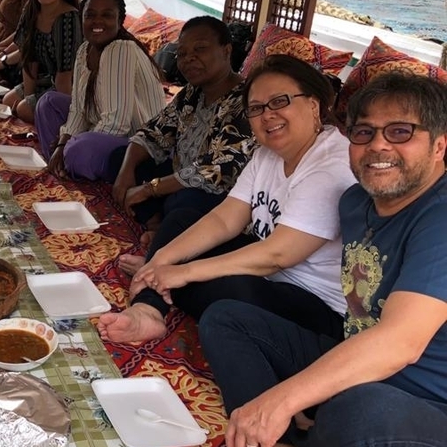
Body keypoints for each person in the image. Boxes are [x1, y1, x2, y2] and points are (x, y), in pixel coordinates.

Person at [198, 72, 447, 447]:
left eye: (400, 132)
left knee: (362, 410)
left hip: (427, 413)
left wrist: (280, 399)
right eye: (363, 132)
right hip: (358, 367)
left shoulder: (440, 217)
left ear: (439, 146)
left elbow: (400, 343)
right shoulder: (356, 201)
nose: (378, 146)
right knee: (226, 318)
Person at [98, 55, 354, 345]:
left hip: (315, 305)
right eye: (256, 108)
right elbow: (225, 219)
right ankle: (148, 308)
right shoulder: (267, 154)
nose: (267, 115)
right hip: (271, 277)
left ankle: (161, 284)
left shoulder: (331, 167)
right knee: (182, 221)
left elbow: (277, 255)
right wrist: (161, 259)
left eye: (280, 101)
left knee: (227, 292)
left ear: (313, 104)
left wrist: (184, 271)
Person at [111, 16, 255, 263]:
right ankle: (157, 224)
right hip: (178, 179)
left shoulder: (245, 102)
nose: (188, 59)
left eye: (200, 49)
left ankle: (166, 236)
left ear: (226, 51)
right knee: (121, 158)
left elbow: (217, 172)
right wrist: (126, 172)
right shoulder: (192, 92)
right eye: (182, 53)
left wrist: (150, 189)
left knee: (186, 202)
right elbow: (153, 132)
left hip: (217, 197)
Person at [37, 0, 164, 181]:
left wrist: (74, 142)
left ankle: (70, 162)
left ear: (120, 20)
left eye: (107, 15)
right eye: (90, 15)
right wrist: (63, 142)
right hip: (100, 129)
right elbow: (78, 109)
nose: (97, 21)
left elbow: (117, 122)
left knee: (80, 149)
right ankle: (60, 165)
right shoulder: (85, 50)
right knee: (48, 103)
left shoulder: (121, 49)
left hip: (136, 145)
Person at [0, 0, 82, 124]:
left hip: (71, 88)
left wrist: (32, 107)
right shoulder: (32, 9)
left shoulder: (68, 19)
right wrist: (29, 98)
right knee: (8, 101)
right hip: (46, 80)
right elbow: (29, 59)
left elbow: (65, 76)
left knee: (22, 109)